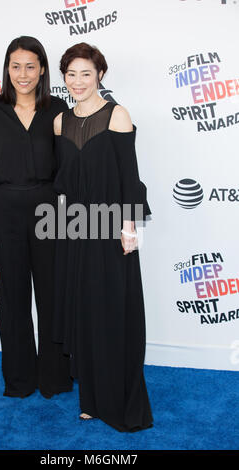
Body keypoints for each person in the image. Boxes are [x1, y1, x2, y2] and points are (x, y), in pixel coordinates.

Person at [52, 42, 153, 432]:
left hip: (110, 230)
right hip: (72, 231)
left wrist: (128, 228)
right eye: (71, 74)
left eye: (86, 74)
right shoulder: (60, 121)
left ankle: (119, 400)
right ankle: (91, 399)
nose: (78, 81)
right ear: (63, 77)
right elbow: (62, 182)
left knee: (112, 316)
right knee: (84, 316)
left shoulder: (117, 115)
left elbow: (129, 178)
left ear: (100, 76)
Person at [0, 36, 72, 399]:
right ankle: (19, 380)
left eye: (31, 66)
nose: (23, 74)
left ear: (42, 69)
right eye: (16, 66)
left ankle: (55, 377)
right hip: (7, 210)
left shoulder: (58, 109)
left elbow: (73, 165)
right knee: (12, 299)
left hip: (49, 211)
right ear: (7, 68)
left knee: (51, 297)